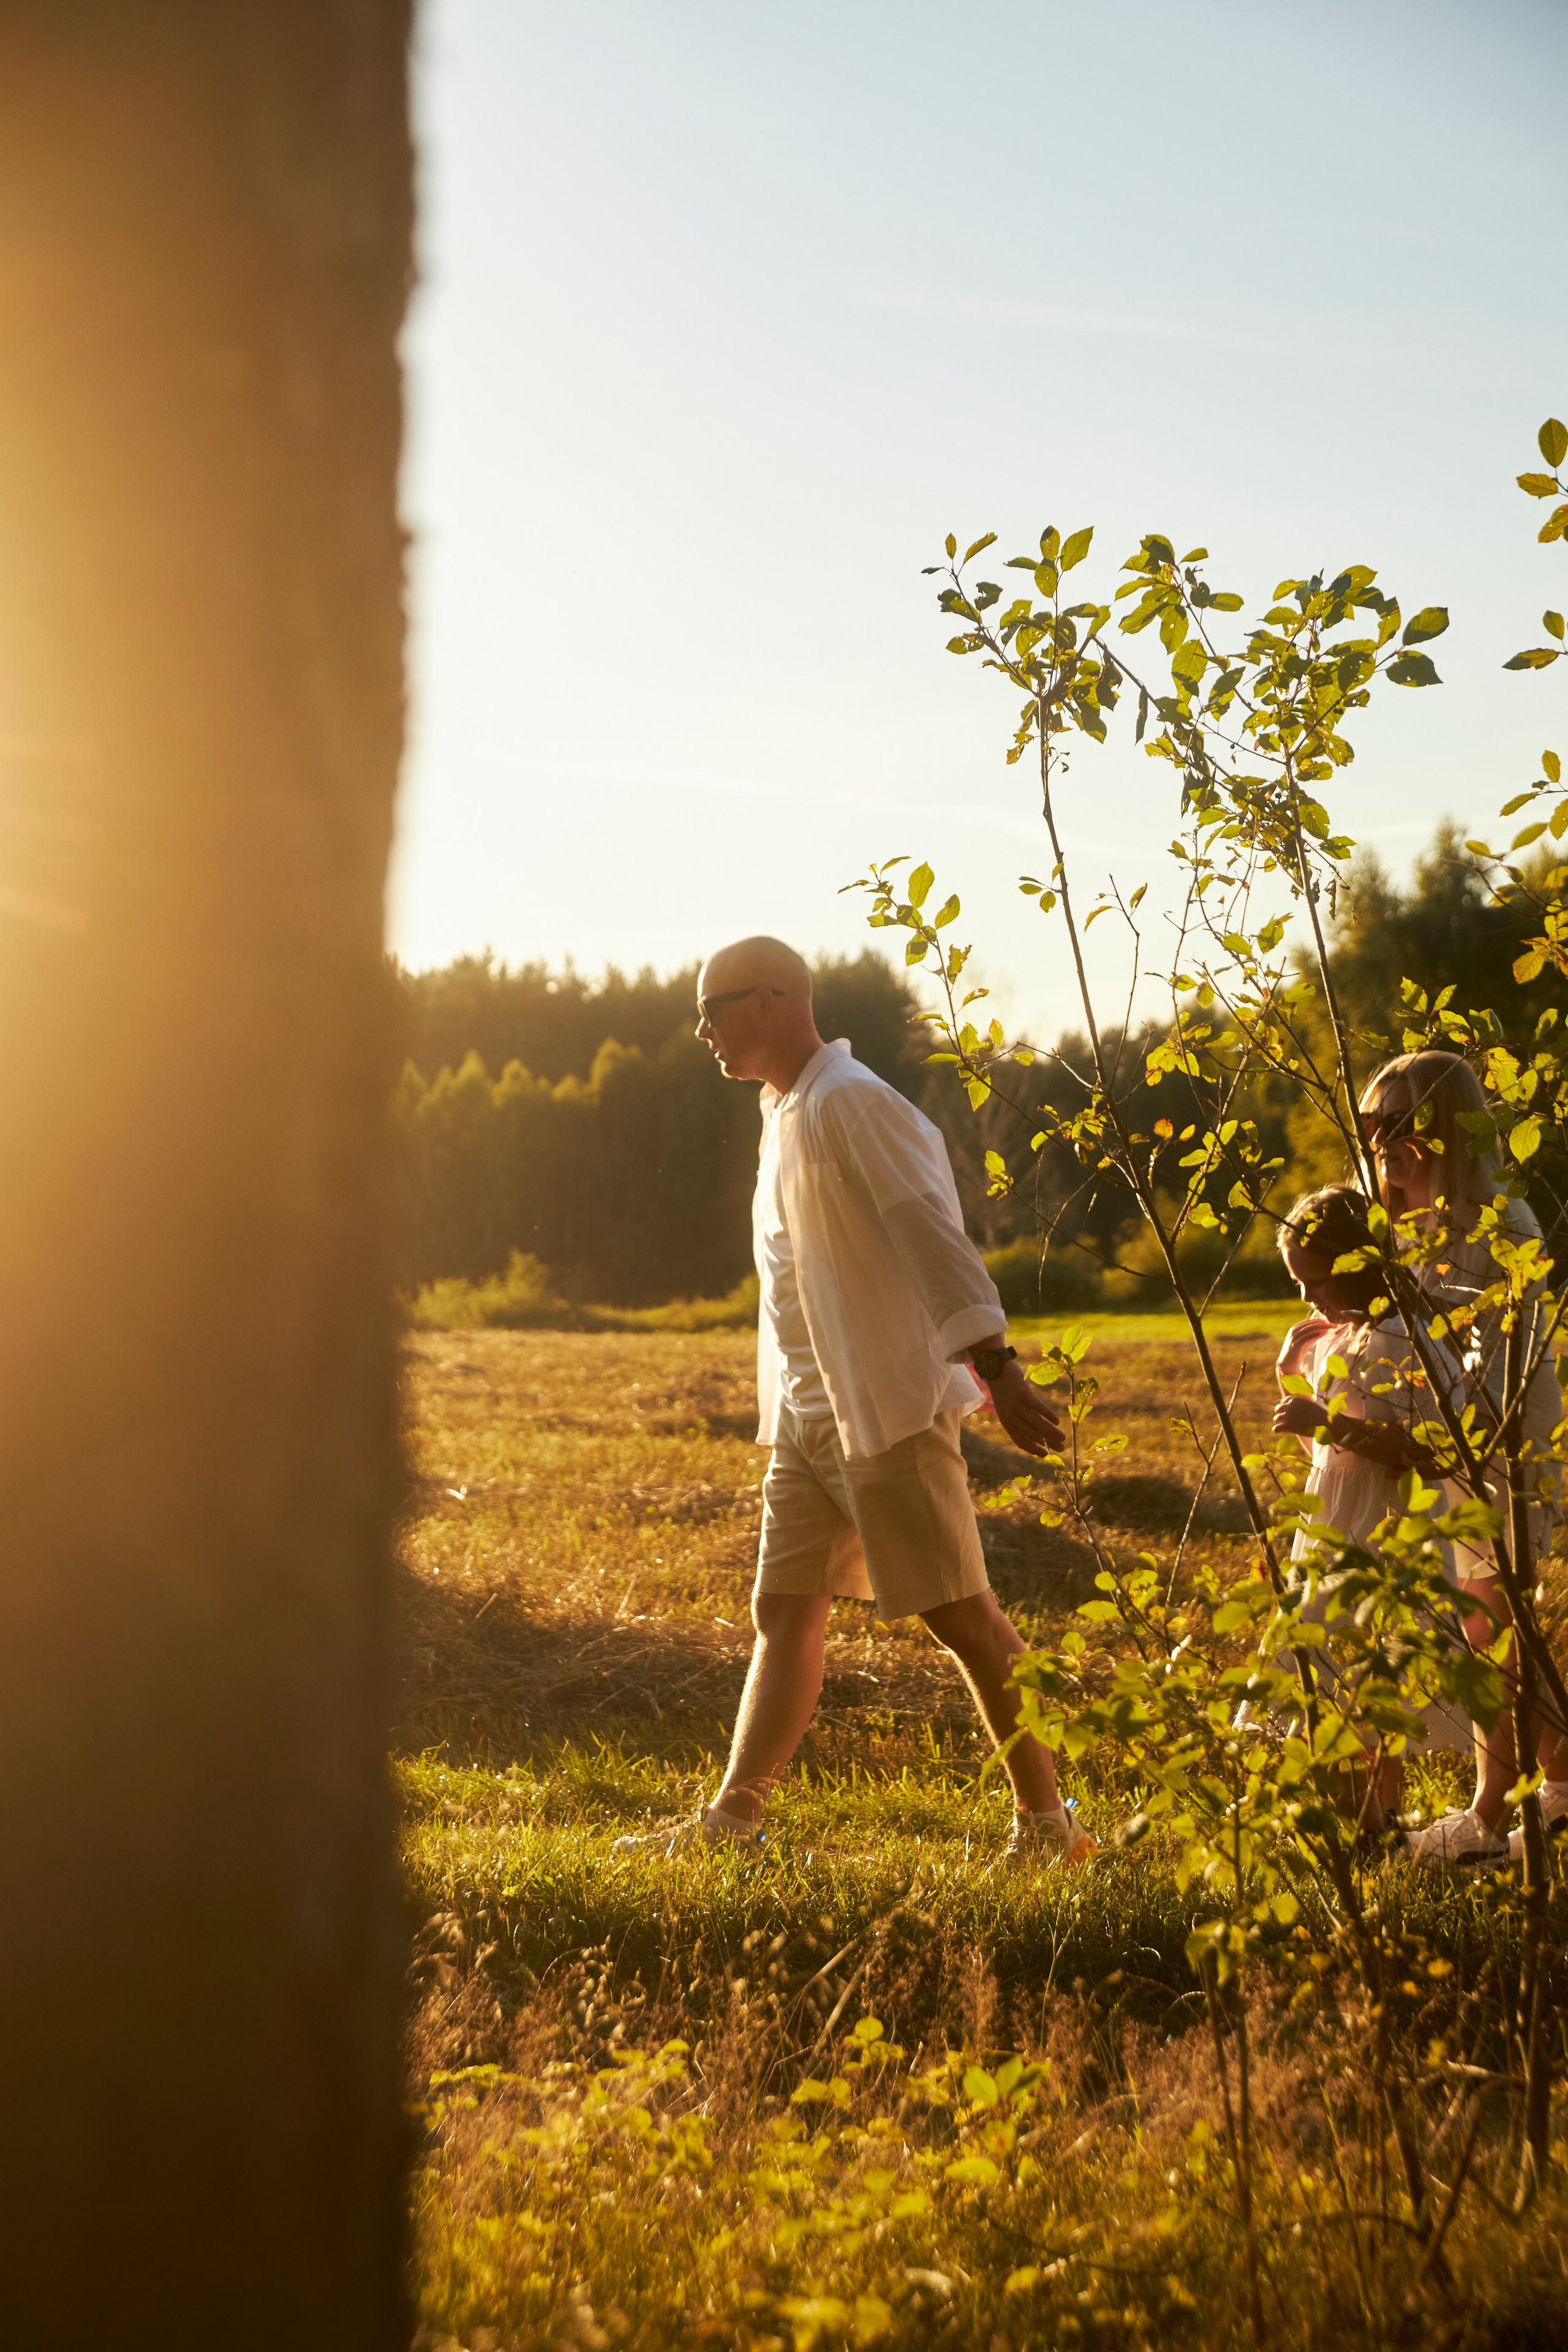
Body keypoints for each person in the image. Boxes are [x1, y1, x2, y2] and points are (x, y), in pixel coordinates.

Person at [613, 935, 1095, 1869]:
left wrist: (998, 1368)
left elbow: (931, 1238)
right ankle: (734, 1826)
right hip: (809, 1416)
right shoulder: (783, 1109)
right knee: (784, 1610)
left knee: (964, 1616)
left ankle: (1051, 1831)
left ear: (776, 1000)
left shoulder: (853, 1103)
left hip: (884, 1409)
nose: (703, 1028)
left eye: (715, 1007)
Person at [1358, 1050, 1566, 1868]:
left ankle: (1507, 1807)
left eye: (1401, 1124)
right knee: (1476, 1620)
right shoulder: (1394, 1224)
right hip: (1438, 1441)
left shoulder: (1499, 1221)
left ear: (1445, 1127)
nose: (1383, 1143)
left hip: (1501, 1439)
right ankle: (1538, 1792)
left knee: (1494, 1619)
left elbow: (1489, 1353)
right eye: (1373, 1126)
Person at [1273, 1186, 1474, 1826]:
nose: (1308, 1300)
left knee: (1373, 1681)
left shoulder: (1404, 1339)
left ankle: (1378, 1820)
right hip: (1331, 1528)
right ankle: (1353, 1825)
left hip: (1386, 1534)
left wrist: (1326, 1423)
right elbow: (1320, 1455)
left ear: (1357, 1264)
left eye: (1314, 1282)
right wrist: (1291, 1375)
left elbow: (1432, 1452)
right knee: (1325, 1675)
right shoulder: (1337, 1340)